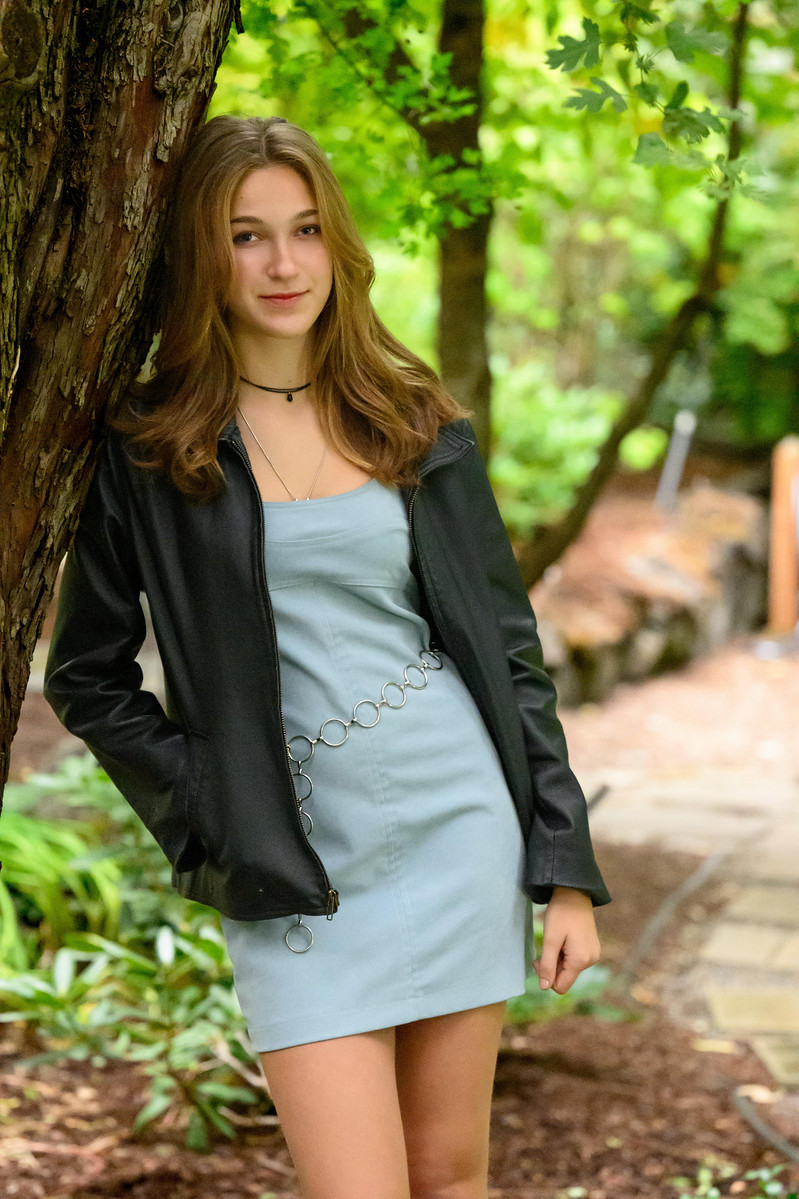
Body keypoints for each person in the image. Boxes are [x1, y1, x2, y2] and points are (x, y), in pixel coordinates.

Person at [44, 114, 610, 1199]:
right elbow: (88, 674)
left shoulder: (410, 421)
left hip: (456, 825)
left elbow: (505, 649)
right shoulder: (150, 450)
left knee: (451, 1177)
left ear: (336, 244)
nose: (281, 263)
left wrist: (564, 866)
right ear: (202, 254)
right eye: (245, 235)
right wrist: (205, 799)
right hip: (288, 854)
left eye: (304, 229)